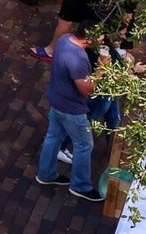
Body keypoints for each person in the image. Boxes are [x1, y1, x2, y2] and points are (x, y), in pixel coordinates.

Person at [35, 26, 105, 201]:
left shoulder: (65, 39)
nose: (102, 40)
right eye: (100, 37)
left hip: (57, 99)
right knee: (84, 145)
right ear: (88, 38)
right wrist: (101, 69)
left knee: (53, 137)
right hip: (71, 109)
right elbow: (86, 90)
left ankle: (46, 174)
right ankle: (80, 186)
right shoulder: (78, 58)